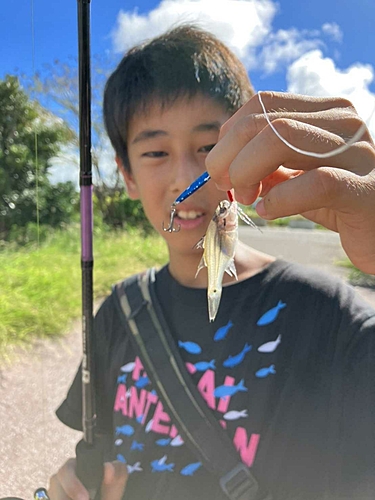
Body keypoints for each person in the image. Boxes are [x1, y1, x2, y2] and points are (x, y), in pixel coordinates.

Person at [48, 25, 375, 500]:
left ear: (252, 153)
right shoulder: (118, 312)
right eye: (156, 152)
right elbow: (96, 456)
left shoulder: (335, 319)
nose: (187, 177)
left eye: (208, 148)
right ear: (127, 175)